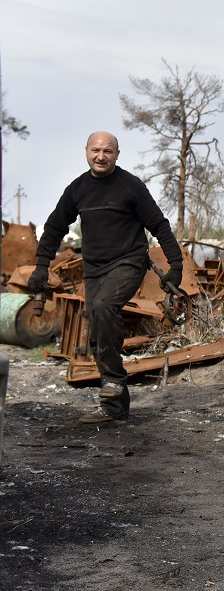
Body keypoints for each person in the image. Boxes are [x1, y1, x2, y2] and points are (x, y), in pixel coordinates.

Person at [27, 131, 184, 424]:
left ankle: (113, 380)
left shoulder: (131, 187)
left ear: (117, 154)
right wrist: (40, 266)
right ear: (86, 152)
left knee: (103, 307)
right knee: (97, 327)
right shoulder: (77, 189)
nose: (101, 156)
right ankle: (116, 409)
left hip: (129, 262)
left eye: (108, 151)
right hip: (94, 268)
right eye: (96, 150)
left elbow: (159, 226)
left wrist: (175, 265)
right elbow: (54, 227)